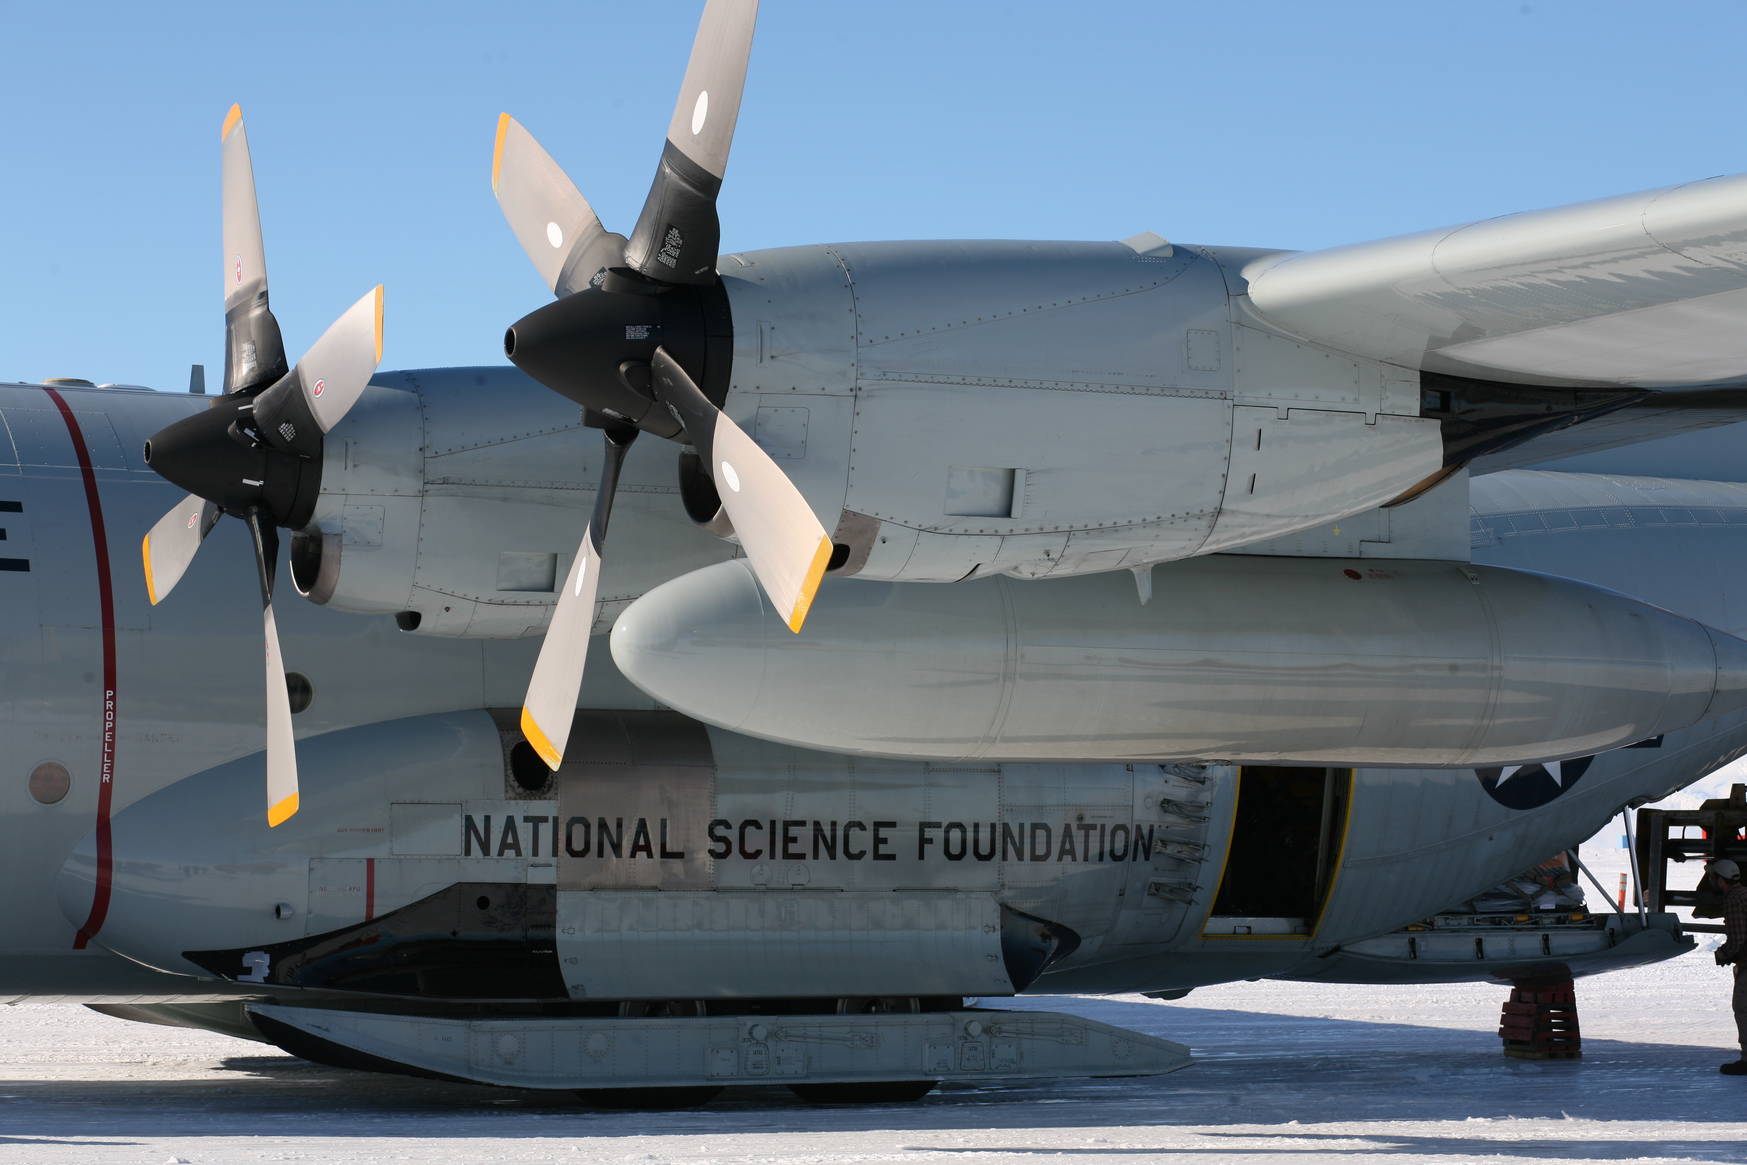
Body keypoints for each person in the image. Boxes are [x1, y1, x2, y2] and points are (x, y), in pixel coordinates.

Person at [1708, 857, 1747, 1076]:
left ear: (1721, 879)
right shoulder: (1745, 893)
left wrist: (1723, 954)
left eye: (1713, 877)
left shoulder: (1733, 899)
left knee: (1743, 1007)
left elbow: (1738, 937)